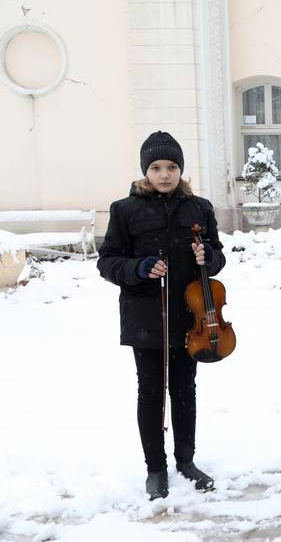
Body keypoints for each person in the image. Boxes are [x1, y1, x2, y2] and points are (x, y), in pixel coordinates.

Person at [98, 130, 225, 500]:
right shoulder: (125, 210)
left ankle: (185, 460)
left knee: (185, 390)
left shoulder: (199, 208)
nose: (165, 174)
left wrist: (210, 259)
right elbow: (108, 261)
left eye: (171, 167)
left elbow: (217, 255)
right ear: (145, 171)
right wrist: (139, 268)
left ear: (180, 170)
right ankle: (155, 468)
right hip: (145, 318)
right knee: (151, 392)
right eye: (156, 167)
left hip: (191, 318)